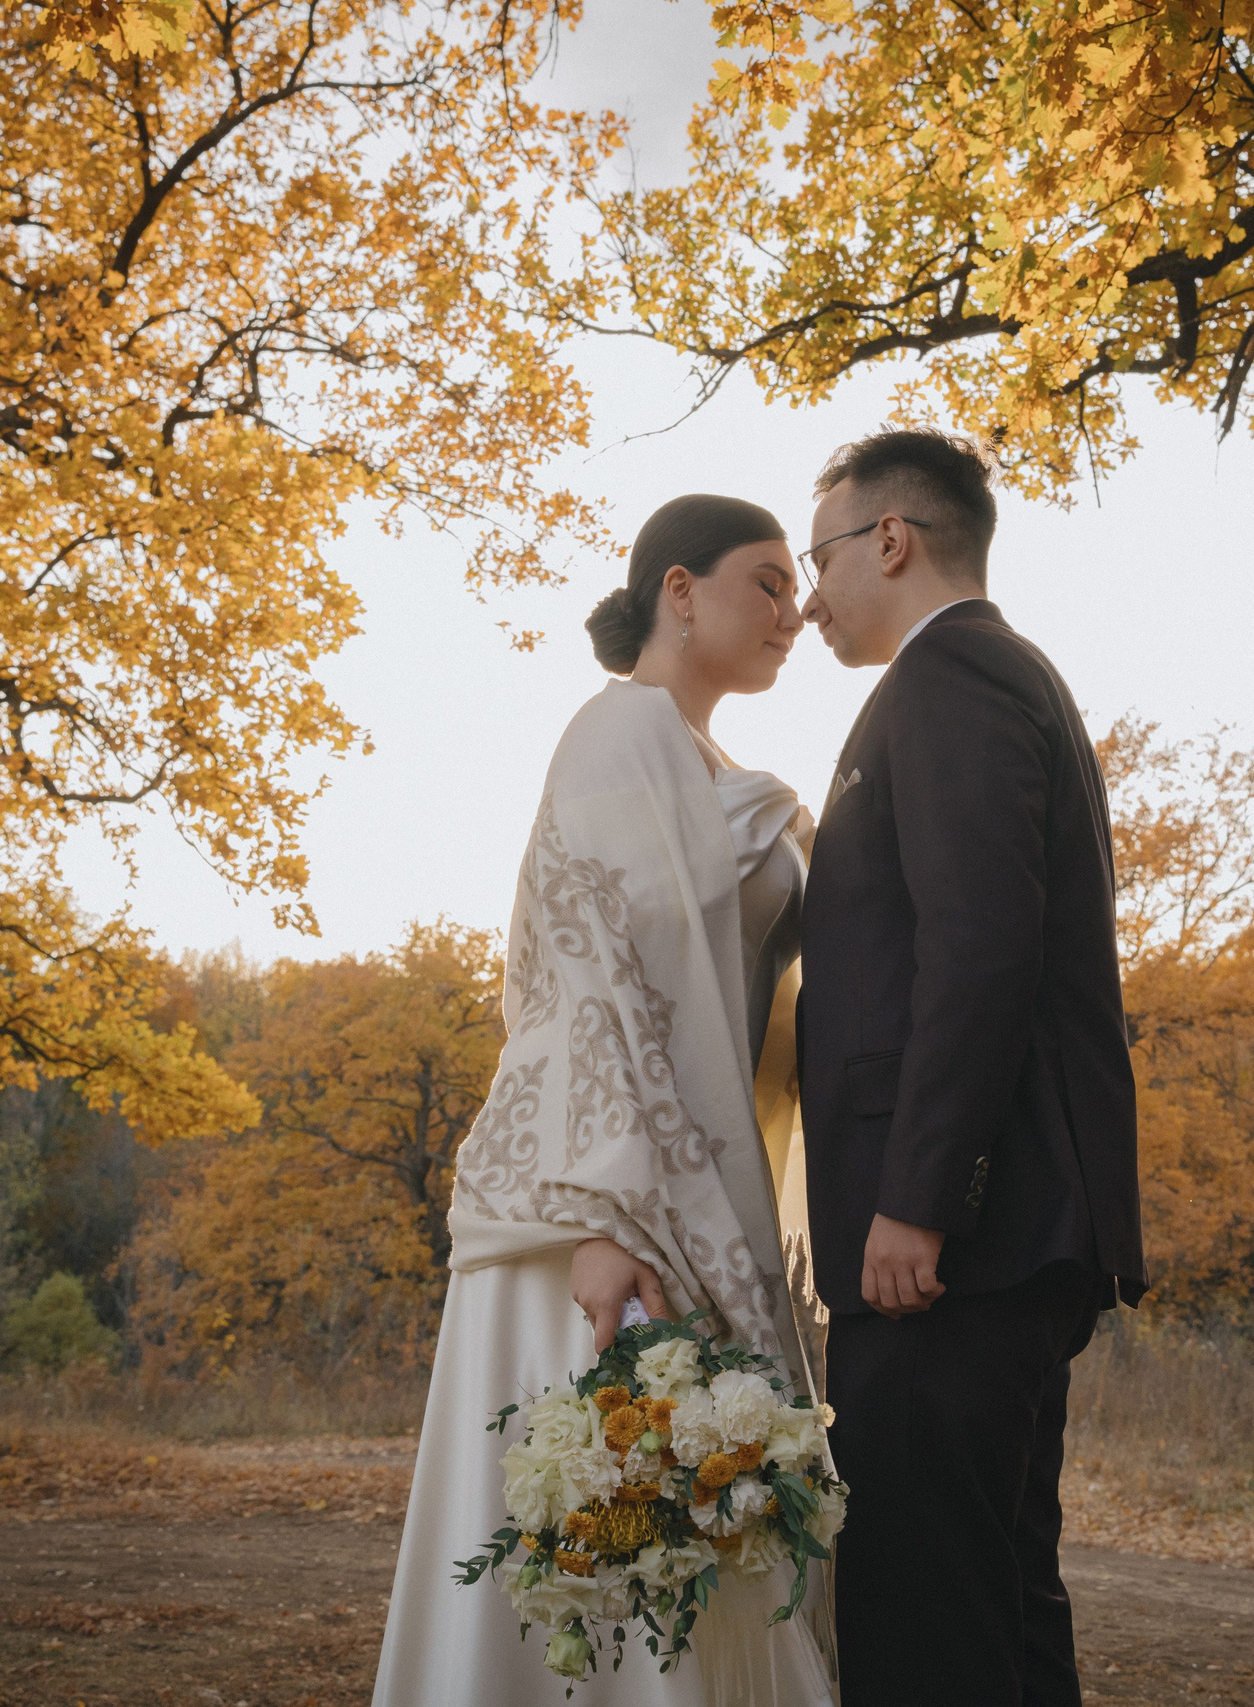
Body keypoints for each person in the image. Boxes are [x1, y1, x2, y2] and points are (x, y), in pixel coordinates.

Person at [372, 495, 836, 1707]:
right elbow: (587, 988)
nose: (792, 612)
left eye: (797, 589)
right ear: (678, 590)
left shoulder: (715, 765)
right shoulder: (618, 730)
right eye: (767, 582)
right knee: (606, 1541)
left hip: (689, 1182)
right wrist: (602, 1219)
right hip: (601, 1210)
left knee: (695, 1532)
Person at [796, 429, 1148, 1707]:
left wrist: (920, 1198)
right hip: (1001, 1235)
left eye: (818, 559)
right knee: (995, 1592)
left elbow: (980, 947)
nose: (811, 596)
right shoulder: (1001, 674)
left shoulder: (951, 677)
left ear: (889, 538)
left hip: (957, 1244)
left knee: (922, 1605)